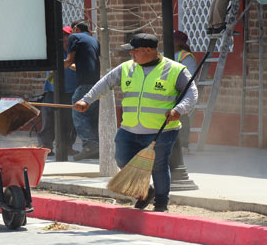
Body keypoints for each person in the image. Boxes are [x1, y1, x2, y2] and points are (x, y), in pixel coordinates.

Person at [73, 33, 198, 212]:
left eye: (135, 51)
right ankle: (146, 192)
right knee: (122, 159)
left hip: (161, 131)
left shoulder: (175, 70)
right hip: (129, 129)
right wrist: (87, 100)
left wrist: (179, 109)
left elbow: (192, 93)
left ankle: (161, 203)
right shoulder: (126, 68)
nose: (132, 55)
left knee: (159, 166)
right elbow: (105, 82)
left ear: (149, 50)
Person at [37, 26, 78, 156]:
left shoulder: (75, 52)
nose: (64, 39)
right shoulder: (55, 51)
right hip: (52, 90)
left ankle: (67, 146)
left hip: (70, 91)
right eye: (62, 36)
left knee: (69, 120)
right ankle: (46, 146)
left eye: (66, 36)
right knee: (49, 119)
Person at [63, 19, 100, 160]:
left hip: (84, 84)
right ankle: (96, 146)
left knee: (78, 111)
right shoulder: (93, 41)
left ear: (76, 28)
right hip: (96, 84)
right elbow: (82, 65)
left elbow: (69, 60)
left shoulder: (75, 37)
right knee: (91, 115)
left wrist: (58, 67)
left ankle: (90, 145)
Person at [173, 30, 197, 150]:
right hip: (166, 91)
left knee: (181, 116)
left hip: (180, 93)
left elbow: (190, 77)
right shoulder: (164, 54)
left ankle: (183, 145)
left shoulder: (186, 57)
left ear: (178, 42)